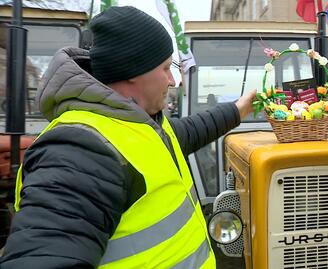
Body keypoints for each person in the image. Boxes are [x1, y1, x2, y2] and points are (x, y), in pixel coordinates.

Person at [0, 6, 255, 269]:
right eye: (166, 68)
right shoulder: (79, 152)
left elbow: (187, 131)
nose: (172, 80)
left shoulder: (139, 124)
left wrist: (239, 109)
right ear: (134, 71)